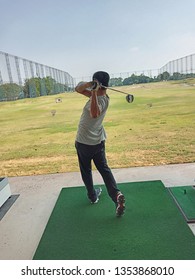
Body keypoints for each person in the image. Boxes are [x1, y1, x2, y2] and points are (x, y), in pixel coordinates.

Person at [75, 71, 125, 217]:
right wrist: (91, 86)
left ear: (99, 83)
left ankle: (93, 196)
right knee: (104, 169)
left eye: (93, 81)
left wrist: (95, 92)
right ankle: (116, 196)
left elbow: (94, 113)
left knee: (86, 170)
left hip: (84, 142)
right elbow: (77, 88)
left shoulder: (102, 99)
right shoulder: (94, 94)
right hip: (97, 141)